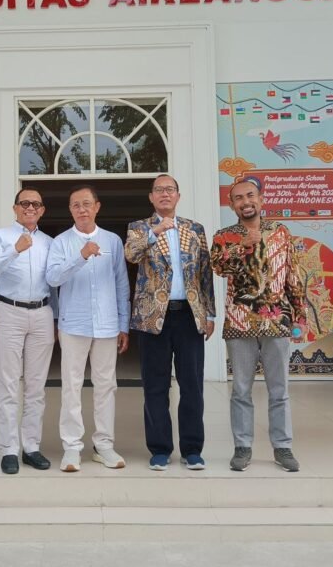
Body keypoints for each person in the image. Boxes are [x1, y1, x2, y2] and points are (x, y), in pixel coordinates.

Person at [210, 177, 307, 473]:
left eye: (250, 196)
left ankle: (283, 447)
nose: (245, 202)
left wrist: (300, 315)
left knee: (280, 389)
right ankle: (242, 447)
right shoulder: (224, 236)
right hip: (240, 322)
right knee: (241, 388)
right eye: (238, 198)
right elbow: (217, 267)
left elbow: (292, 274)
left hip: (277, 320)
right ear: (232, 205)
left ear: (261, 199)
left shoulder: (280, 232)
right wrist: (241, 247)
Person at [124, 174, 216, 472]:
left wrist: (210, 314)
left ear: (178, 196)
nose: (165, 194)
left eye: (170, 190)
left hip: (189, 315)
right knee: (155, 385)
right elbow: (131, 254)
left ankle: (192, 450)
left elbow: (205, 273)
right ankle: (160, 449)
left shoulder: (195, 229)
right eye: (159, 190)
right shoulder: (139, 228)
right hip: (153, 318)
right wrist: (155, 232)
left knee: (192, 385)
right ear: (151, 197)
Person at [46, 185, 130, 473]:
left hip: (107, 324)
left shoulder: (113, 241)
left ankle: (104, 444)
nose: (81, 209)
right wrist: (80, 256)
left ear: (97, 206)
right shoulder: (61, 242)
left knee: (106, 386)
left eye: (86, 204)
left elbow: (121, 283)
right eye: (75, 205)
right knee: (71, 386)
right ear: (70, 210)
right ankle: (71, 447)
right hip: (74, 324)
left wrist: (123, 323)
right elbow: (53, 278)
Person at [0, 187, 56, 474]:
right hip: (9, 311)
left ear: (42, 210)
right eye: (24, 203)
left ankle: (31, 447)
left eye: (35, 204)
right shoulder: (1, 236)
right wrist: (15, 249)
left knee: (37, 386)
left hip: (41, 313)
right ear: (15, 208)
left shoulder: (50, 242)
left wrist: (58, 319)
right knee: (9, 384)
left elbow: (54, 283)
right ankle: (9, 449)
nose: (30, 207)